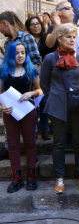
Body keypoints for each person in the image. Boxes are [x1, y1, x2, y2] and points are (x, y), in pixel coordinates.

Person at [40, 23, 79, 193]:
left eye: (74, 36)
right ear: (59, 38)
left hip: (78, 105)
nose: (72, 39)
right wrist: (56, 96)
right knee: (59, 143)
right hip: (57, 105)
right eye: (68, 36)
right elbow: (44, 84)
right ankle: (59, 179)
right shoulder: (50, 59)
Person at [0, 11, 43, 160]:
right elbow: (9, 65)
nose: (0, 30)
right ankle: (9, 148)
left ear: (5, 24)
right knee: (10, 120)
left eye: (0, 27)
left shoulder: (27, 37)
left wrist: (31, 81)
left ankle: (32, 151)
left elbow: (36, 60)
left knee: (30, 125)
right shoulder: (7, 42)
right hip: (11, 91)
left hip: (28, 89)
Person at [0, 42, 42, 193]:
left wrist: (31, 93)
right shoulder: (3, 71)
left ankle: (31, 176)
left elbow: (40, 90)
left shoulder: (31, 69)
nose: (20, 55)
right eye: (17, 53)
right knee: (12, 145)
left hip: (28, 111)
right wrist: (2, 107)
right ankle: (16, 177)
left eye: (23, 52)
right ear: (11, 54)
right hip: (10, 112)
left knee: (30, 143)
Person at [24, 16, 51, 140]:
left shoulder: (47, 39)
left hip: (45, 74)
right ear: (28, 27)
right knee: (33, 103)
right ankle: (33, 127)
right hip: (30, 75)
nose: (36, 26)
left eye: (38, 23)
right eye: (33, 24)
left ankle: (44, 128)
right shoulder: (26, 40)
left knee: (44, 102)